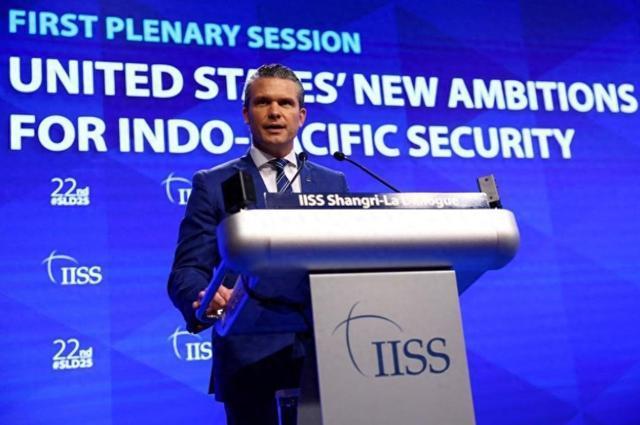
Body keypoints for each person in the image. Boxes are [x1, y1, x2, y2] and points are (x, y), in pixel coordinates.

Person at [168, 63, 349, 425]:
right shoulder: (213, 183)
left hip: (328, 352)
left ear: (301, 116)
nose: (274, 112)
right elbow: (187, 270)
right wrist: (203, 296)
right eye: (263, 102)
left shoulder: (334, 183)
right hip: (249, 360)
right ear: (246, 114)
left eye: (285, 103)